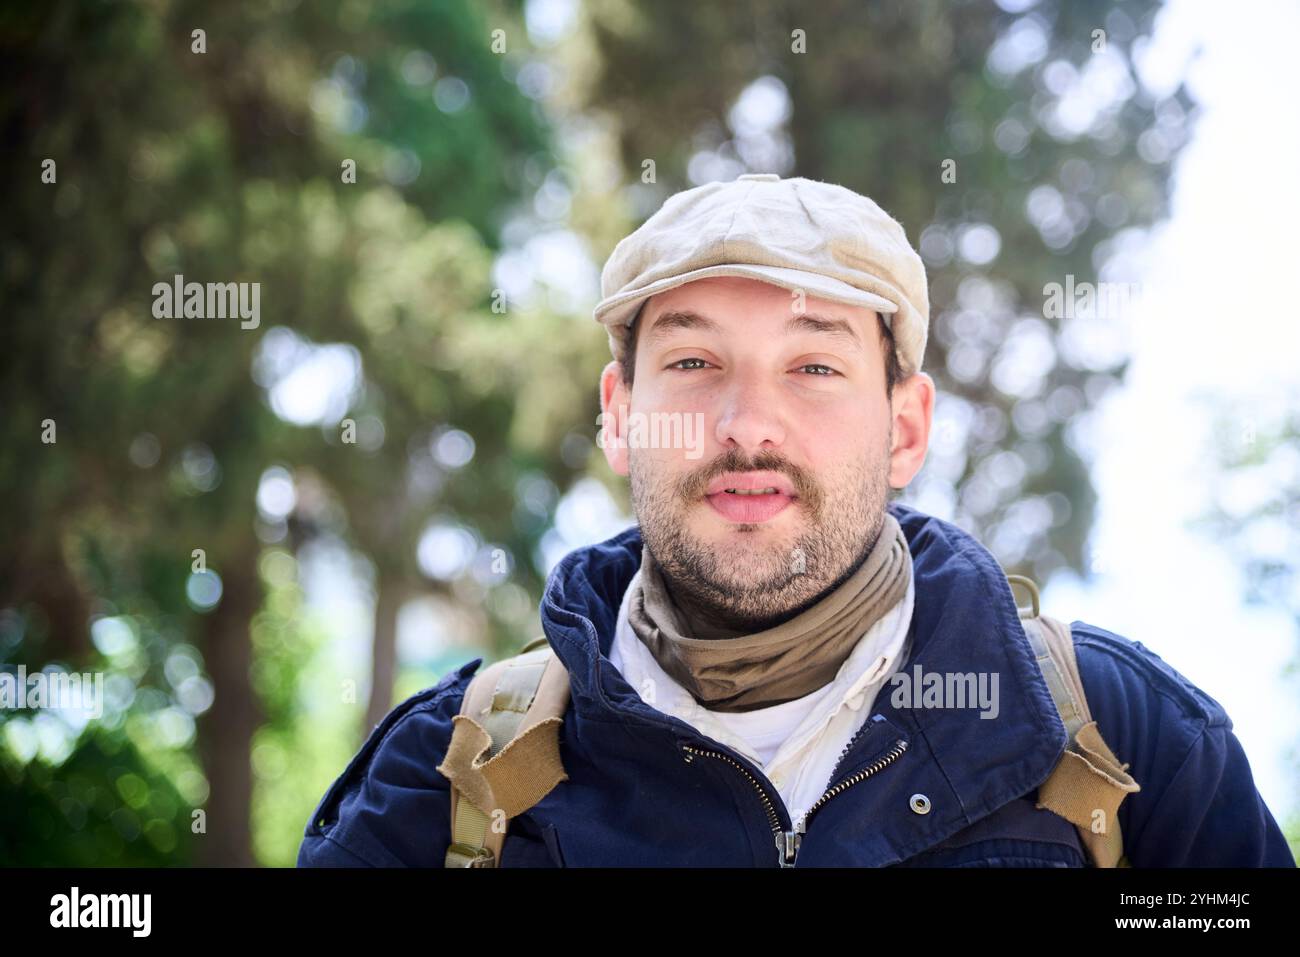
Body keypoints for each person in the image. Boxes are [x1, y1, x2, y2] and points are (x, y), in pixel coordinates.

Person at [298, 174, 1295, 867]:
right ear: (619, 414)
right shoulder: (443, 779)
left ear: (904, 428)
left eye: (815, 367)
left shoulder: (1127, 741)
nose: (746, 427)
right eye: (692, 363)